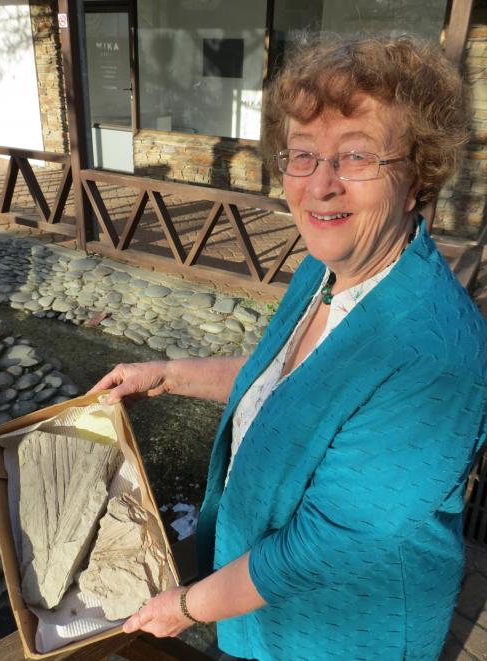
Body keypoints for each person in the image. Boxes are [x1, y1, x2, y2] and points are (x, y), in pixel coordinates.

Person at [89, 35, 487, 660]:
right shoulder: (323, 271)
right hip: (262, 606)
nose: (320, 185)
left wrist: (188, 605)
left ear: (417, 178)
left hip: (343, 628)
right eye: (302, 155)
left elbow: (329, 543)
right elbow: (285, 381)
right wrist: (164, 375)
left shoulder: (434, 353)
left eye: (356, 157)